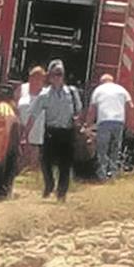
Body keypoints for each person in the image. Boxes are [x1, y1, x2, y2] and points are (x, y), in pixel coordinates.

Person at [30, 59, 82, 202]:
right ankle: (49, 184)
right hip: (51, 132)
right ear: (50, 77)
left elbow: (78, 110)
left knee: (65, 165)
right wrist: (25, 133)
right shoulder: (44, 95)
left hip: (67, 132)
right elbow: (33, 114)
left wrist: (78, 120)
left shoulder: (72, 92)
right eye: (55, 74)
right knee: (45, 161)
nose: (58, 77)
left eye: (60, 74)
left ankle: (61, 194)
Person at [88, 74, 134, 181]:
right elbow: (131, 105)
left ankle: (102, 174)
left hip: (104, 121)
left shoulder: (98, 90)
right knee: (115, 148)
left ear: (101, 82)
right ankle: (112, 173)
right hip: (119, 122)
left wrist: (88, 124)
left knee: (102, 149)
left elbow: (92, 109)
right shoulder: (121, 90)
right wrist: (130, 122)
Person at [17, 66, 47, 170]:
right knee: (20, 150)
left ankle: (32, 171)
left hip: (37, 129)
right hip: (21, 125)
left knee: (34, 149)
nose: (36, 80)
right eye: (34, 77)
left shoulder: (45, 94)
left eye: (40, 78)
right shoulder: (22, 88)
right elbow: (15, 103)